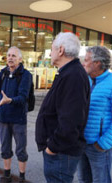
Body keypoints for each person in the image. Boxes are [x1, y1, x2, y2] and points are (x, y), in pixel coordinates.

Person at [35, 32, 90, 183]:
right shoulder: (68, 72)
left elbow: (71, 121)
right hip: (60, 151)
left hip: (61, 152)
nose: (50, 53)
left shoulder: (73, 76)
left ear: (60, 50)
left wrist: (51, 147)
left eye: (52, 49)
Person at [0, 46, 32, 183]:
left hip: (18, 118)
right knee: (5, 148)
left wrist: (9, 100)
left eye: (14, 56)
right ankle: (7, 175)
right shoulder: (2, 73)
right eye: (9, 55)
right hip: (3, 117)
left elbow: (23, 97)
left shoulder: (26, 75)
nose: (10, 58)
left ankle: (22, 178)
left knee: (21, 149)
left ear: (20, 59)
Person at [78, 46, 112, 183]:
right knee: (83, 180)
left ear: (97, 63)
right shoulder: (84, 80)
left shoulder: (110, 83)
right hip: (81, 143)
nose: (83, 63)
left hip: (99, 146)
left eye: (86, 60)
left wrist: (103, 143)